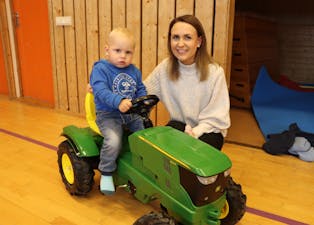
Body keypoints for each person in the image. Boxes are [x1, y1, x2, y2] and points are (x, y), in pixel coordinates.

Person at [144, 14, 230, 150]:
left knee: (189, 152)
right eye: (175, 37)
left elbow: (216, 118)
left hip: (208, 132)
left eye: (187, 37)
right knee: (168, 135)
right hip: (181, 127)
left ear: (199, 42)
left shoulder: (215, 72)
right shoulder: (165, 67)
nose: (180, 44)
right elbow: (144, 92)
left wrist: (194, 133)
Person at [89, 27, 147, 195]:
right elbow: (100, 91)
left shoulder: (134, 71)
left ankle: (143, 164)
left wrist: (143, 101)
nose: (123, 56)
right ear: (107, 50)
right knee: (114, 140)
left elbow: (140, 89)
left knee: (146, 134)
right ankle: (106, 172)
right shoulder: (101, 69)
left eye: (128, 52)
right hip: (108, 115)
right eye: (118, 50)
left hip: (130, 114)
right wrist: (118, 101)